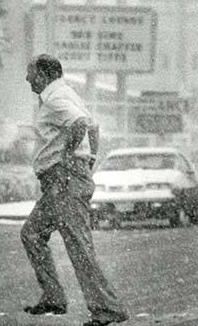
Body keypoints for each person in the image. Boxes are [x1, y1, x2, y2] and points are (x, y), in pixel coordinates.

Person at [20, 53, 128, 326]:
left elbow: (81, 124)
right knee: (32, 234)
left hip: (64, 180)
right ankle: (54, 297)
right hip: (63, 181)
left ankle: (107, 308)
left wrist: (69, 159)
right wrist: (88, 160)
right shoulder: (67, 94)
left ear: (44, 75)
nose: (27, 78)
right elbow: (93, 125)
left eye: (30, 73)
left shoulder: (56, 99)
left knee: (79, 247)